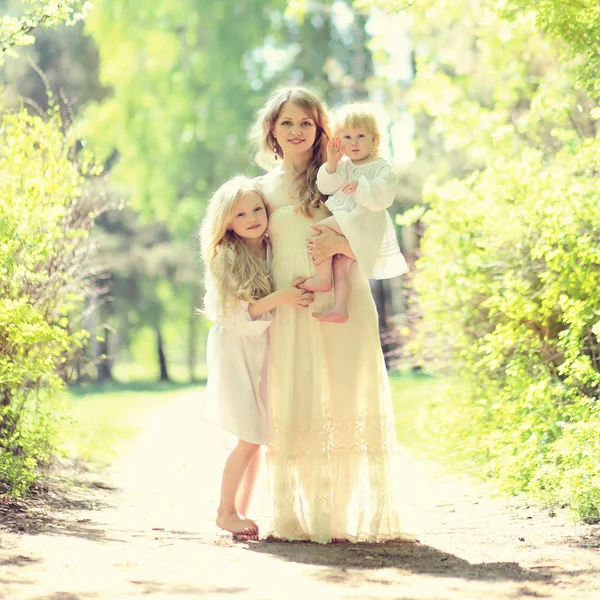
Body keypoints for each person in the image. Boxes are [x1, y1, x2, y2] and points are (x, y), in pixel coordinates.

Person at [251, 87, 415, 543]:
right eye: (287, 122)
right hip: (293, 307)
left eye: (306, 122)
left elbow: (373, 231)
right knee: (299, 404)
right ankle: (300, 516)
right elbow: (247, 253)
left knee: (345, 401)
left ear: (322, 128)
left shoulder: (347, 175)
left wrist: (341, 245)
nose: (297, 130)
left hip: (344, 299)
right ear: (273, 131)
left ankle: (339, 521)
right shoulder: (260, 190)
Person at [199, 175, 314, 540]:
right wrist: (282, 297)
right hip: (234, 348)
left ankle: (239, 510)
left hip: (256, 350)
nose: (252, 217)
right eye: (241, 214)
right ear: (226, 222)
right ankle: (223, 510)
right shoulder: (226, 257)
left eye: (257, 210)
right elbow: (237, 313)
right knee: (248, 434)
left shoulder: (266, 249)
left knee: (255, 435)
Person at [301, 103, 408, 323]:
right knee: (341, 265)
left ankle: (322, 277)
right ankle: (340, 308)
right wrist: (332, 162)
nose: (354, 142)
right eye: (347, 137)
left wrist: (360, 186)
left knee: (320, 228)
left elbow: (383, 196)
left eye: (360, 136)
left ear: (374, 140)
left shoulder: (381, 167)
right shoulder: (345, 165)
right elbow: (326, 187)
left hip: (363, 222)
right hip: (349, 222)